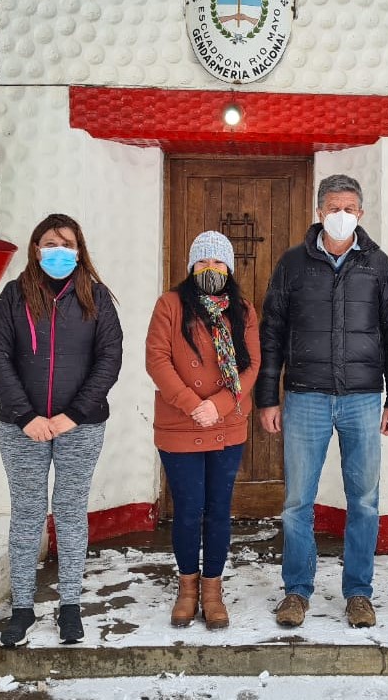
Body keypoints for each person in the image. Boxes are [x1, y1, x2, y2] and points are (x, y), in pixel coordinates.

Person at [256, 173, 388, 629]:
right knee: (297, 502)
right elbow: (272, 335)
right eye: (333, 207)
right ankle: (296, 592)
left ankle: (359, 593)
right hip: (305, 398)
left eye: (350, 208)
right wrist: (269, 397)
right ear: (320, 212)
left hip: (363, 400)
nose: (341, 216)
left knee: (363, 501)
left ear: (360, 214)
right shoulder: (292, 264)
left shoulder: (378, 265)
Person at [0, 214, 123, 647]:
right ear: (35, 248)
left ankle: (69, 608)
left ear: (79, 249)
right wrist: (26, 416)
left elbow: (108, 361)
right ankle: (22, 607)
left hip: (79, 427)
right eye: (49, 242)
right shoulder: (13, 296)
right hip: (21, 427)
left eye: (66, 243)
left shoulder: (96, 298)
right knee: (26, 514)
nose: (57, 250)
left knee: (69, 510)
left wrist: (73, 415)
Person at [145, 231, 261, 630]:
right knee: (188, 511)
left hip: (226, 425)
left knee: (218, 511)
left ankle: (212, 589)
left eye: (217, 263)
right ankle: (187, 588)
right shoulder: (170, 305)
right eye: (203, 262)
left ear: (228, 268)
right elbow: (157, 360)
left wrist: (220, 405)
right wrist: (194, 405)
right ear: (191, 267)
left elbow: (251, 366)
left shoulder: (243, 310)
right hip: (181, 424)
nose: (210, 270)